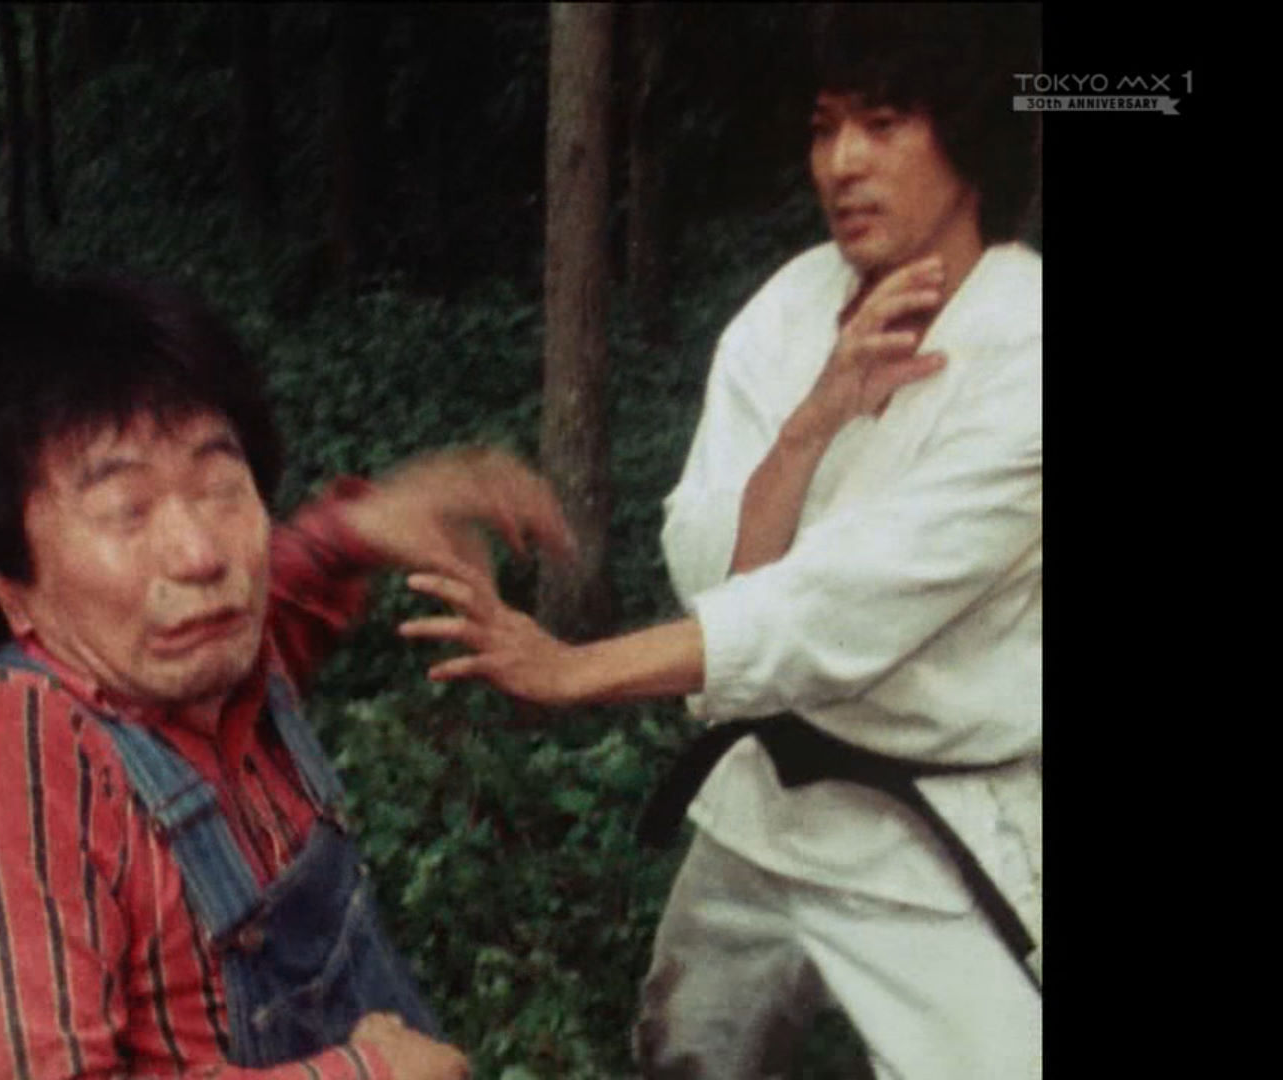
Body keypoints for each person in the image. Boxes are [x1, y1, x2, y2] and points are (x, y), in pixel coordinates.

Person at [398, 5, 1041, 1077]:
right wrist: (808, 428)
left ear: (969, 137)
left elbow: (847, 604)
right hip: (765, 806)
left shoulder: (1027, 347)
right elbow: (714, 577)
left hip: (936, 826)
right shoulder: (789, 311)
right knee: (684, 1052)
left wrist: (576, 670)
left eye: (882, 125)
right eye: (824, 127)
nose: (842, 163)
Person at [0, 253, 574, 1080]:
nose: (201, 555)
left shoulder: (215, 658)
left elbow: (278, 592)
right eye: (126, 511)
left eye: (220, 487)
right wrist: (364, 1077)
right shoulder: (19, 771)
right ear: (13, 587)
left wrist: (358, 529)